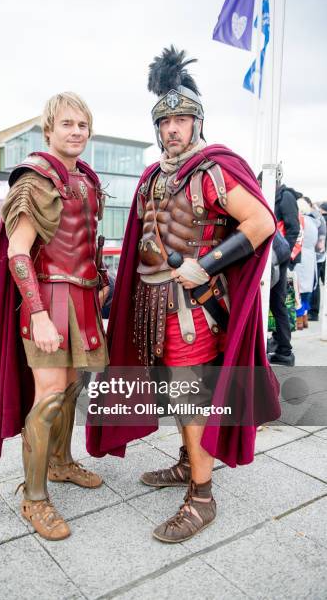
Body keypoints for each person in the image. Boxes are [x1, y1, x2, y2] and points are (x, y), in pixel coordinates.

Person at [87, 46, 280, 543]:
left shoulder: (214, 168)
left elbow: (261, 222)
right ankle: (184, 462)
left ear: (198, 122)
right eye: (165, 121)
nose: (173, 128)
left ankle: (201, 497)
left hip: (197, 309)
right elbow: (141, 244)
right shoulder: (153, 176)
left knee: (191, 396)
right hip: (154, 309)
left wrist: (209, 264)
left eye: (182, 119)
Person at [0, 92, 109, 542]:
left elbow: (90, 240)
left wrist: (101, 279)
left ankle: (61, 462)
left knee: (71, 387)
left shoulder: (85, 180)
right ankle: (34, 497)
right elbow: (17, 254)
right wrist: (40, 315)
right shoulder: (35, 180)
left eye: (82, 126)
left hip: (83, 299)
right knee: (48, 395)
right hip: (47, 299)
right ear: (49, 129)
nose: (75, 132)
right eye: (67, 124)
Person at [266, 166, 297, 366]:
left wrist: (285, 256)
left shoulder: (285, 196)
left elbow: (294, 228)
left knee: (278, 303)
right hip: (275, 254)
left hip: (279, 254)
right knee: (276, 303)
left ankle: (285, 350)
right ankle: (281, 344)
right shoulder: (276, 195)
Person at [294, 198, 319, 329]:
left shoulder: (299, 221)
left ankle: (298, 320)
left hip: (299, 255)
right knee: (307, 289)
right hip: (310, 257)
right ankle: (304, 318)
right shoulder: (313, 223)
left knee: (297, 288)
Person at [308, 200, 326, 321]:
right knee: (318, 284)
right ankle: (314, 311)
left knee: (313, 284)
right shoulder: (320, 220)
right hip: (322, 254)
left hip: (315, 255)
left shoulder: (317, 219)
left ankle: (312, 312)